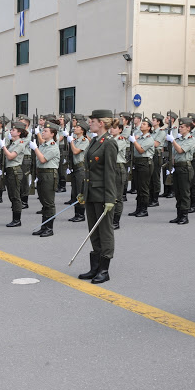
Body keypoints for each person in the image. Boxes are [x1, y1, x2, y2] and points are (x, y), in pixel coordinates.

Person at [77, 110, 118, 283]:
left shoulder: (108, 143)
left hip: (102, 195)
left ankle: (104, 269)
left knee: (105, 231)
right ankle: (94, 268)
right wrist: (82, 191)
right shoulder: (94, 141)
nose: (89, 123)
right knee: (93, 230)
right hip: (91, 193)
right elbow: (87, 170)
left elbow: (110, 173)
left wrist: (110, 199)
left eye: (92, 121)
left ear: (101, 123)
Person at [30, 121, 60, 237]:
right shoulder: (43, 145)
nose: (43, 132)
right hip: (42, 174)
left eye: (46, 131)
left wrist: (35, 148)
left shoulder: (53, 146)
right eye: (43, 130)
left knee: (49, 203)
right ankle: (44, 226)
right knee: (43, 202)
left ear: (52, 134)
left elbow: (42, 159)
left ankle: (49, 228)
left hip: (49, 174)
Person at [165, 117, 195, 224]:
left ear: (188, 128)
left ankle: (184, 216)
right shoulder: (179, 140)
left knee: (184, 192)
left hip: (185, 168)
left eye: (182, 127)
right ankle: (179, 215)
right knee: (178, 192)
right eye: (179, 127)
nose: (180, 129)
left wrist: (172, 140)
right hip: (177, 167)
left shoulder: (191, 139)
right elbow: (173, 154)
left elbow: (180, 150)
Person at [1, 121, 28, 227]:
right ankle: (15, 218)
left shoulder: (20, 143)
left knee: (15, 196)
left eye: (13, 130)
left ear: (19, 132)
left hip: (15, 171)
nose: (11, 131)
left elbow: (11, 156)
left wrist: (4, 147)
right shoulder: (12, 143)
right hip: (10, 171)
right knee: (12, 195)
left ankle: (17, 220)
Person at [127, 117, 154, 217]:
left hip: (145, 163)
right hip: (137, 163)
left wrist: (134, 141)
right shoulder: (140, 138)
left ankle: (144, 210)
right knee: (138, 187)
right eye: (141, 124)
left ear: (149, 128)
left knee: (144, 188)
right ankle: (138, 209)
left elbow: (141, 150)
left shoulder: (149, 138)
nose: (141, 125)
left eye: (144, 124)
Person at [68, 119, 90, 222]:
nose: (75, 128)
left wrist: (71, 142)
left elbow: (76, 151)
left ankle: (81, 214)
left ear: (82, 130)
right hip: (75, 168)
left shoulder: (84, 140)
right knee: (74, 191)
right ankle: (76, 213)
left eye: (77, 127)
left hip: (81, 168)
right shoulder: (76, 140)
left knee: (80, 191)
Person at [109, 119, 128, 229]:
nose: (112, 129)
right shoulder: (110, 139)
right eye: (111, 127)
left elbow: (112, 151)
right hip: (111, 168)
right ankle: (110, 219)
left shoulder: (120, 140)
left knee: (117, 197)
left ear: (120, 130)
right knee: (110, 195)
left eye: (114, 128)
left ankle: (116, 221)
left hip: (118, 168)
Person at [148, 113, 166, 207]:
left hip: (156, 154)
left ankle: (155, 199)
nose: (152, 121)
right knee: (150, 177)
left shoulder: (161, 132)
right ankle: (150, 197)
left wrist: (146, 141)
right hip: (150, 154)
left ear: (158, 122)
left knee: (155, 177)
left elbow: (155, 144)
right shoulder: (152, 132)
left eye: (154, 120)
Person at [18, 114, 32, 209]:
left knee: (24, 180)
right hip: (19, 157)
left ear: (26, 125)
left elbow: (21, 144)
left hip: (25, 158)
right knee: (19, 179)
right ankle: (19, 198)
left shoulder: (28, 134)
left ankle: (24, 201)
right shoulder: (21, 134)